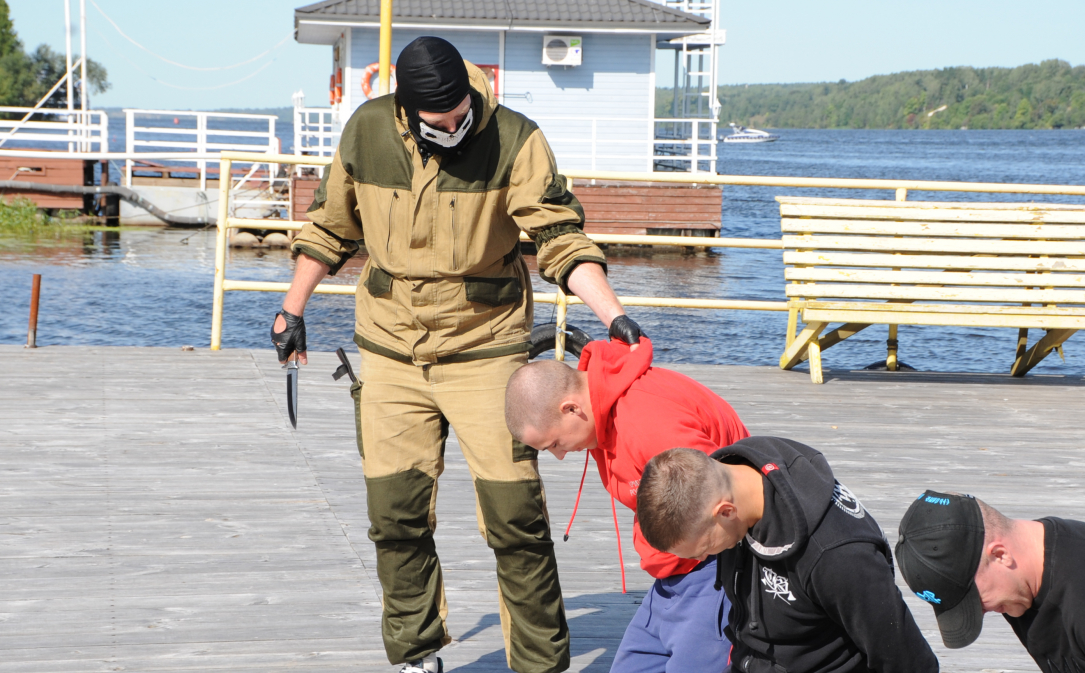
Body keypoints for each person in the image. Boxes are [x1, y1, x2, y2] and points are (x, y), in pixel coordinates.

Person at [269, 36, 642, 673]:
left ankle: (539, 665)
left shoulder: (515, 139)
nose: (454, 126)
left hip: (485, 351)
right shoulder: (366, 131)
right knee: (395, 518)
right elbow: (331, 225)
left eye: (461, 113)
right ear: (407, 112)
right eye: (438, 122)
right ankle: (417, 655)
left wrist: (615, 316)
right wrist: (292, 309)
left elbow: (559, 238)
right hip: (390, 351)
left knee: (516, 521)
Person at [505, 337, 749, 672]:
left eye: (555, 443)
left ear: (571, 408)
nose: (560, 455)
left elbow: (720, 500)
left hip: (713, 565)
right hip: (672, 571)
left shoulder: (647, 423)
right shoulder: (602, 409)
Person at [636, 440, 939, 673]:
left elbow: (908, 660)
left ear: (725, 512)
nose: (703, 559)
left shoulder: (837, 555)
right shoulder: (739, 482)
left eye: (703, 549)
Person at [896, 490, 1085, 670]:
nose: (983, 612)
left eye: (975, 600)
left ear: (1000, 555)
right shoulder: (1021, 583)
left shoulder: (1077, 600)